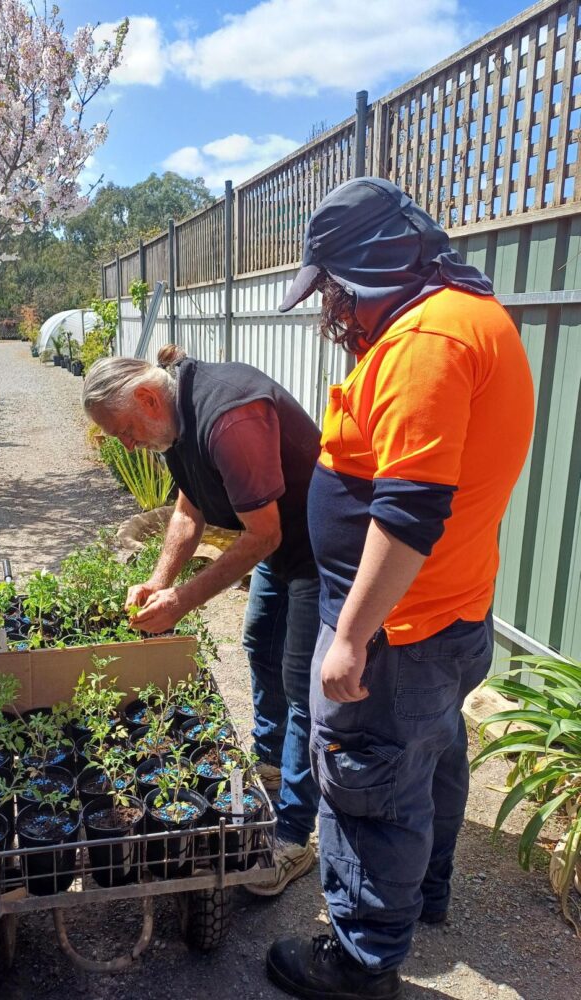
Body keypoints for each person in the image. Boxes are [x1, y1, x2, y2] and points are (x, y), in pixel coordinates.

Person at [264, 177, 534, 1000]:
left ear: (374, 269)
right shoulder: (465, 315)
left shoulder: (428, 341)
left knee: (368, 791)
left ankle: (360, 963)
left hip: (397, 632)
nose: (334, 311)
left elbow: (410, 509)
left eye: (337, 292)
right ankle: (427, 895)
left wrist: (349, 636)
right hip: (449, 613)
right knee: (430, 756)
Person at [82, 347, 321, 894]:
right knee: (260, 647)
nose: (126, 444)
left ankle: (291, 837)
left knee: (303, 685)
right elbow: (190, 506)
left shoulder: (229, 418)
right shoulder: (174, 418)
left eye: (123, 430)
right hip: (279, 551)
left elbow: (265, 534)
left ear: (145, 397)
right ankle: (269, 766)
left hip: (318, 551)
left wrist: (183, 601)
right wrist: (161, 579)